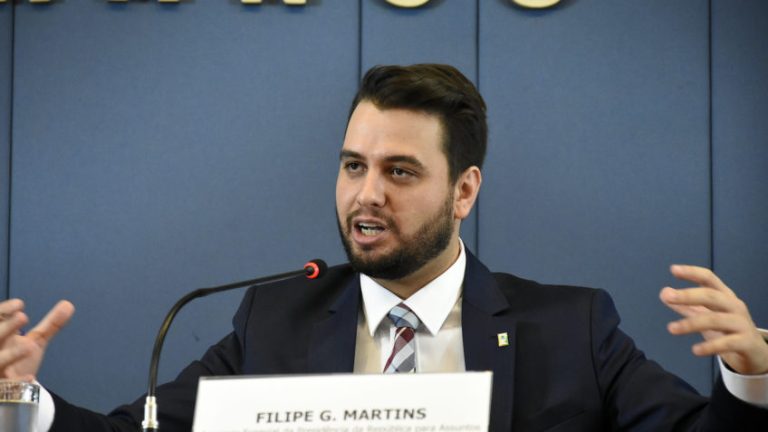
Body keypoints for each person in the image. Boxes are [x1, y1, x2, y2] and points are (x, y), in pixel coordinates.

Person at [1, 64, 767, 431]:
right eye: (353, 166)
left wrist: (752, 378)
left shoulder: (572, 329)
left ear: (464, 191)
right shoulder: (275, 321)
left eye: (399, 171)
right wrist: (22, 402)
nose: (366, 194)